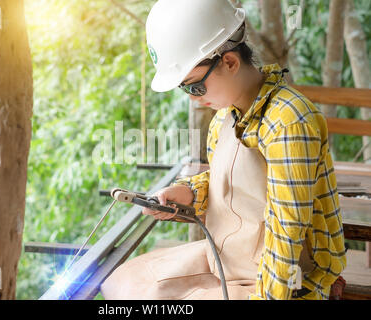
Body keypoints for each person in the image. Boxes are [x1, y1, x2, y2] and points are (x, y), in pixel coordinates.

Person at [101, 0, 346, 300]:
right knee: (122, 284)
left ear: (229, 62)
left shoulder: (288, 122)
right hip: (225, 258)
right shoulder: (223, 118)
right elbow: (231, 186)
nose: (192, 98)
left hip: (285, 277)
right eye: (184, 89)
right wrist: (188, 193)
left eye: (194, 86)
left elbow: (287, 234)